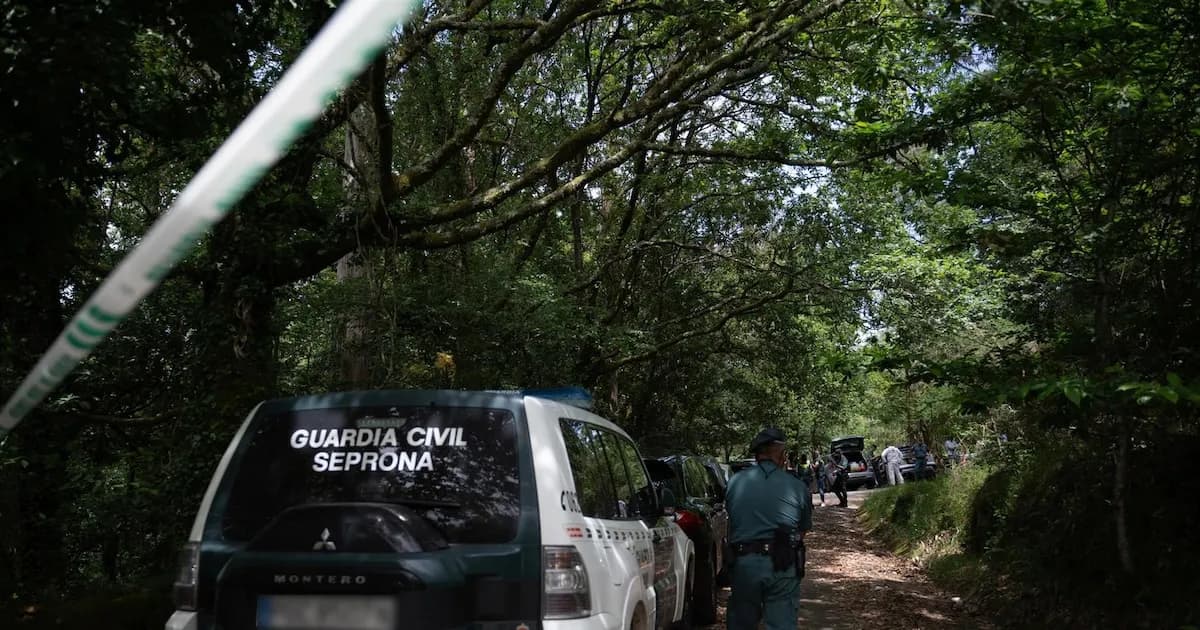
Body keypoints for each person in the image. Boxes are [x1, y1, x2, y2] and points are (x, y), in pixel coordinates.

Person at [725, 427, 813, 630]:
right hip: (782, 563)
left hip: (744, 563)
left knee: (742, 622)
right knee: (782, 623)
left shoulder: (735, 482)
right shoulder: (797, 486)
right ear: (781, 455)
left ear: (758, 454)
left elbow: (733, 521)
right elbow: (802, 530)